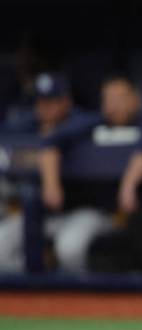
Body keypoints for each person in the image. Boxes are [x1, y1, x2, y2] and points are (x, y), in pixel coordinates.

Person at [36, 75, 142, 272]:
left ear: (135, 100)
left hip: (136, 208)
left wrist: (128, 184)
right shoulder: (93, 122)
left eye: (119, 99)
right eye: (107, 100)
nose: (113, 106)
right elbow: (51, 141)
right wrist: (51, 184)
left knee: (71, 245)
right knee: (69, 245)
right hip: (91, 207)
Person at [0, 73, 80, 272]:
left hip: (75, 210)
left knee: (70, 249)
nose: (44, 107)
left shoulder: (81, 123)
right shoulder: (25, 125)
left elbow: (56, 139)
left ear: (66, 101)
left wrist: (51, 141)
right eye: (41, 101)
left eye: (52, 101)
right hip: (33, 215)